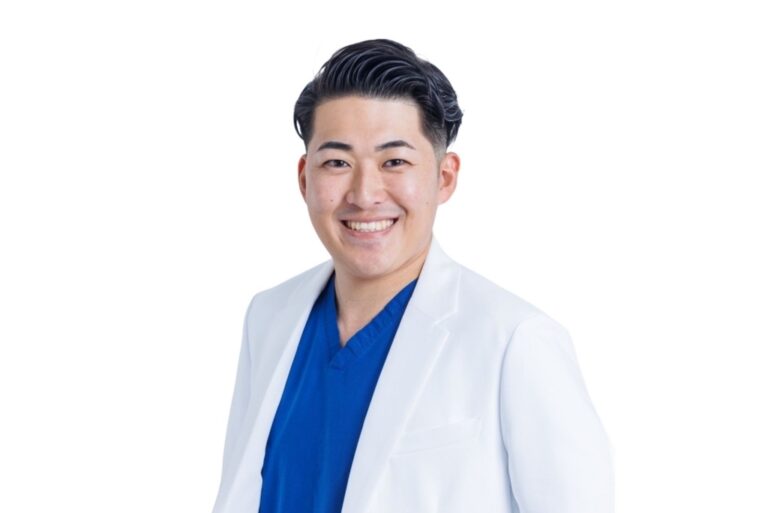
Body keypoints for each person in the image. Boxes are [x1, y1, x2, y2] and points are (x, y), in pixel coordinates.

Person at [211, 38, 613, 513]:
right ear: (304, 178)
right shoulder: (268, 317)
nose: (364, 194)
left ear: (445, 177)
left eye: (394, 162)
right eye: (337, 162)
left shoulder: (515, 340)